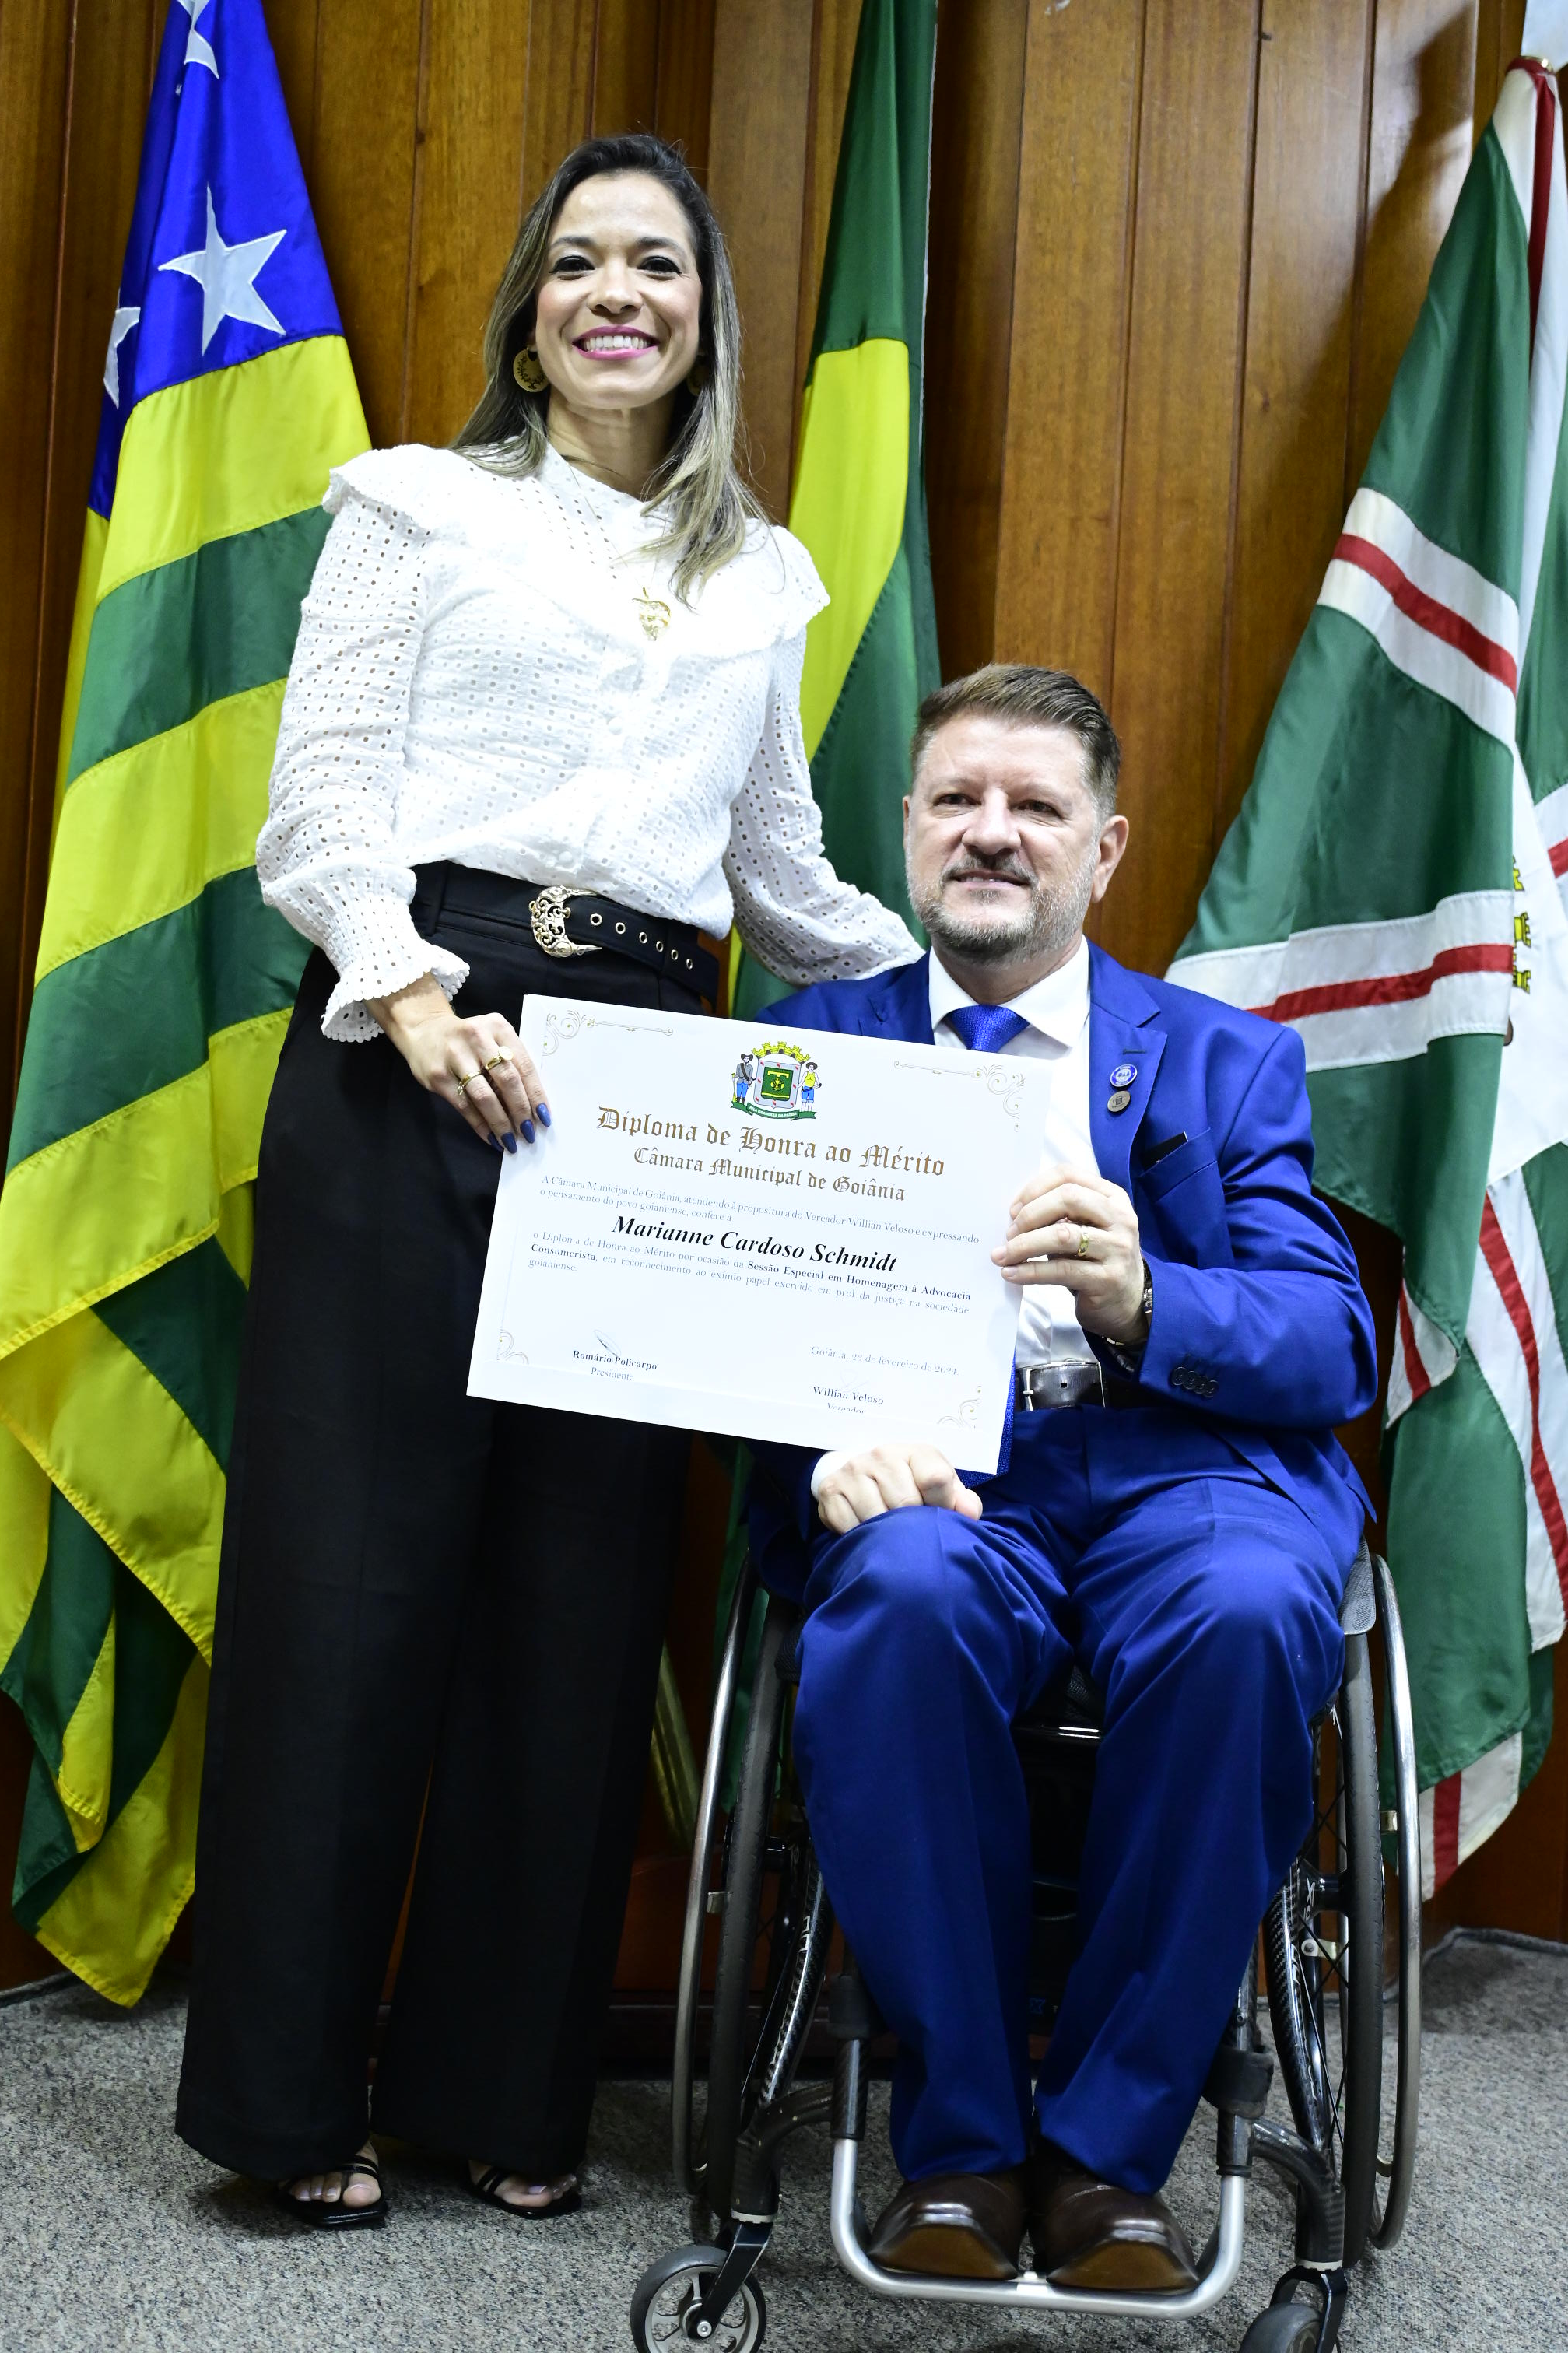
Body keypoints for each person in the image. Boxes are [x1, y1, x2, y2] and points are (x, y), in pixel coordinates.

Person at [174, 132, 914, 2231]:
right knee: (351, 1589)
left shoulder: (764, 580)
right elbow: (320, 805)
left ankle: (500, 2096)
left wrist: (995, 991)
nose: (616, 294)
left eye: (655, 264)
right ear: (529, 314)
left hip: (650, 1097)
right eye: (579, 262)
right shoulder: (418, 506)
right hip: (409, 1054)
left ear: (704, 316)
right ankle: (288, 2106)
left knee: (577, 1603)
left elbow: (778, 872)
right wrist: (417, 999)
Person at [749, 664, 1377, 2287]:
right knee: (897, 1592)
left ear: (1104, 849)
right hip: (946, 1474)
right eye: (959, 798)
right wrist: (823, 1444)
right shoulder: (807, 1047)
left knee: (1247, 1613)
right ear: (907, 828)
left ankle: (1108, 2160)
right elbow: (726, 1323)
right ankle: (960, 2147)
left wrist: (1147, 1297)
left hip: (1187, 1476)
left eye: (1036, 806)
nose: (993, 832)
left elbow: (1330, 1342)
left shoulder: (1229, 1062)